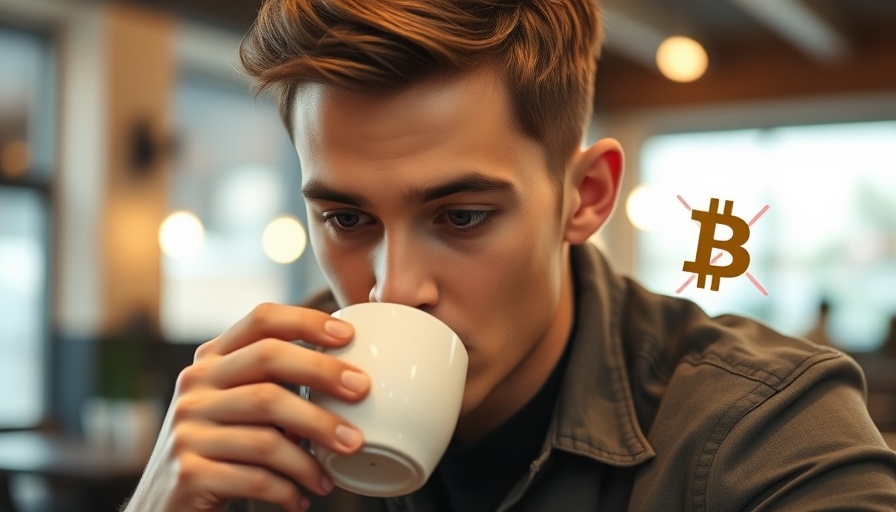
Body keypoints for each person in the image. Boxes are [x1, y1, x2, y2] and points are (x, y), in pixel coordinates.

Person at [124, 0, 896, 511]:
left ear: (585, 196)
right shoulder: (265, 425)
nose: (394, 290)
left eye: (460, 215)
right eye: (347, 217)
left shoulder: (761, 430)